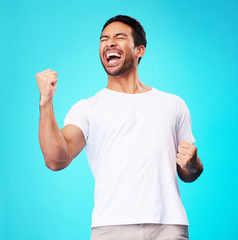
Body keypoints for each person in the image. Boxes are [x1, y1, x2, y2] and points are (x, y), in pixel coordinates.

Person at [36, 15, 203, 240]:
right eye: (104, 39)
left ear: (140, 50)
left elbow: (188, 173)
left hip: (169, 226)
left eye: (119, 37)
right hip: (111, 228)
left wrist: (192, 164)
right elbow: (56, 160)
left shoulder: (173, 104)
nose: (109, 43)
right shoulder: (87, 108)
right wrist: (46, 103)